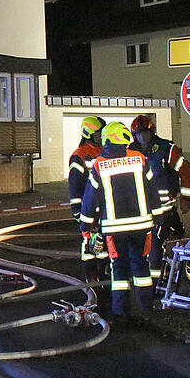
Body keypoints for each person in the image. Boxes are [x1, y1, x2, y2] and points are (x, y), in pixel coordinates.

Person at [80, 121, 163, 318]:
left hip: (114, 229)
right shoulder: (140, 159)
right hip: (142, 227)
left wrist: (85, 226)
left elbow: (89, 201)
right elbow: (153, 192)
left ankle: (120, 313)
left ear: (108, 138)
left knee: (119, 270)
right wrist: (159, 217)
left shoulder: (99, 165)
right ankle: (146, 309)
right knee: (142, 267)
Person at [129, 115, 190, 279]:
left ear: (152, 132)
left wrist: (185, 200)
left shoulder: (167, 148)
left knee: (156, 244)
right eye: (138, 134)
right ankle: (147, 277)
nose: (142, 137)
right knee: (140, 245)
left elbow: (186, 173)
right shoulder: (130, 151)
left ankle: (155, 282)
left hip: (164, 209)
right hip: (140, 210)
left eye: (145, 133)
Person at [67, 115, 108, 282]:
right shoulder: (79, 155)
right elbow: (75, 187)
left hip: (105, 209)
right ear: (89, 133)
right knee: (89, 248)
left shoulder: (106, 152)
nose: (103, 136)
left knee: (105, 248)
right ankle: (92, 279)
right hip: (88, 210)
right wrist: (77, 212)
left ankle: (105, 277)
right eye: (100, 133)